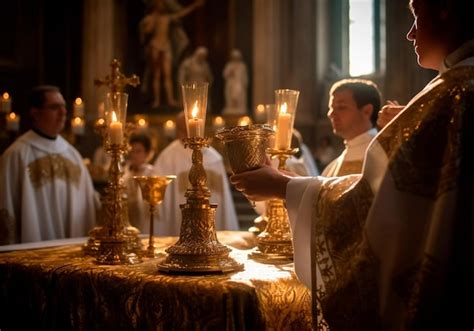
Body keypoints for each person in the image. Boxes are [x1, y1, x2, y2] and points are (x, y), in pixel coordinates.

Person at [230, 0, 473, 329]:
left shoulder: (455, 93)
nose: (410, 32)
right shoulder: (454, 88)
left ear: (446, 9)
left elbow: (375, 208)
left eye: (418, 15)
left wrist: (281, 186)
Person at [0, 85, 97, 245]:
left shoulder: (72, 155)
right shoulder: (17, 155)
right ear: (35, 113)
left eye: (64, 107)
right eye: (54, 107)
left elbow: (89, 203)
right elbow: (6, 207)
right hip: (33, 255)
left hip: (71, 254)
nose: (63, 112)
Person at [154, 111, 239, 235]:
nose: (188, 132)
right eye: (184, 129)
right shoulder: (167, 157)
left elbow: (223, 200)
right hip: (178, 222)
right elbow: (158, 196)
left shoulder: (213, 158)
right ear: (178, 130)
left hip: (209, 220)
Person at [139, 0, 205, 108]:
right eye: (158, 4)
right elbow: (146, 31)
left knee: (167, 75)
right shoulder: (151, 18)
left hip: (166, 46)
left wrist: (194, 6)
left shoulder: (167, 18)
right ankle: (157, 100)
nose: (161, 6)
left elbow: (181, 14)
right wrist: (152, 22)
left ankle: (170, 99)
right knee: (157, 74)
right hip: (155, 45)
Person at [322, 78, 381, 176]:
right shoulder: (332, 167)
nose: (331, 114)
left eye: (341, 107)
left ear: (367, 111)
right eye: (331, 108)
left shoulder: (381, 156)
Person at [123, 134, 155, 233]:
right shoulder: (125, 172)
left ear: (147, 153)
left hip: (144, 218)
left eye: (138, 151)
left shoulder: (152, 173)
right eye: (132, 151)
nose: (134, 155)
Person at [222, 49, 248, 115]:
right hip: (231, 83)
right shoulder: (229, 65)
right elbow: (225, 74)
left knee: (239, 96)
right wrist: (230, 73)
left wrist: (245, 83)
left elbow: (245, 76)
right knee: (230, 97)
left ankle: (239, 107)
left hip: (239, 84)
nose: (236, 59)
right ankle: (232, 107)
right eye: (234, 57)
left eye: (237, 58)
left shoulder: (242, 65)